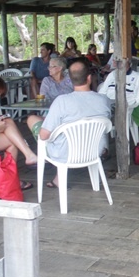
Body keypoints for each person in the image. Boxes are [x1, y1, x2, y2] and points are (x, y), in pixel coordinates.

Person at [30, 60, 111, 189]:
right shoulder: (103, 100)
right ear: (89, 78)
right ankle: (59, 179)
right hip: (95, 150)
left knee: (33, 120)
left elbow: (44, 135)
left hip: (65, 153)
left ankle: (52, 170)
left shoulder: (61, 102)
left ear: (71, 80)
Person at [99, 59, 139, 144]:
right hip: (108, 106)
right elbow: (101, 94)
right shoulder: (112, 75)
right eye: (117, 62)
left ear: (129, 63)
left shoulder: (137, 77)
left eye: (122, 62)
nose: (117, 64)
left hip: (124, 107)